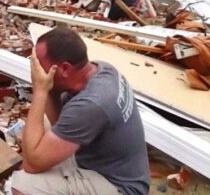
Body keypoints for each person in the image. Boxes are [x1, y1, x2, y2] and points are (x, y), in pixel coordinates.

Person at [11, 26, 150, 195]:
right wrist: (50, 89)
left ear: (65, 69)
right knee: (43, 125)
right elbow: (62, 122)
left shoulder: (91, 104)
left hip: (121, 187)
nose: (37, 68)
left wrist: (40, 89)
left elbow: (32, 165)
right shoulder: (101, 69)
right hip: (113, 166)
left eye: (40, 63)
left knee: (24, 185)